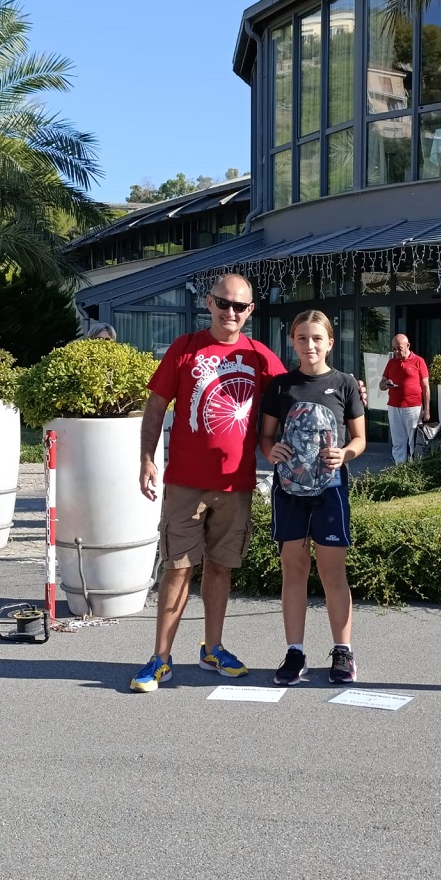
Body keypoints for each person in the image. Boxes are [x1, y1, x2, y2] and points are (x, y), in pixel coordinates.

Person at [129, 273, 286, 693]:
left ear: (251, 311)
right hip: (185, 482)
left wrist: (346, 391)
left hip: (236, 484)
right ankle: (160, 658)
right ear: (209, 302)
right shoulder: (184, 349)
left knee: (220, 568)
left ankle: (213, 648)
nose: (230, 312)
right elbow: (156, 406)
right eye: (223, 303)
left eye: (240, 306)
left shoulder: (259, 356)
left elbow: (297, 393)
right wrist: (148, 457)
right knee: (178, 569)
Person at [260, 310, 366, 687]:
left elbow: (359, 438)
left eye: (317, 338)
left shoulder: (345, 384)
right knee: (294, 568)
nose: (310, 345)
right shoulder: (280, 385)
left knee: (332, 571)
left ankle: (343, 650)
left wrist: (346, 454)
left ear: (330, 342)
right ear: (293, 341)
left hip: (331, 490)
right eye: (302, 338)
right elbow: (266, 438)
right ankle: (295, 651)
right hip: (289, 490)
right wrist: (270, 452)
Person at [379, 334, 430, 463]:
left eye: (399, 348)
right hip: (394, 406)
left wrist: (427, 409)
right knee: (398, 441)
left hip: (413, 407)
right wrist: (386, 384)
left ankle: (415, 468)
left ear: (407, 346)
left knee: (415, 441)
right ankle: (400, 470)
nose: (396, 352)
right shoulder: (391, 362)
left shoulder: (418, 361)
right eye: (394, 348)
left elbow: (425, 386)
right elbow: (381, 385)